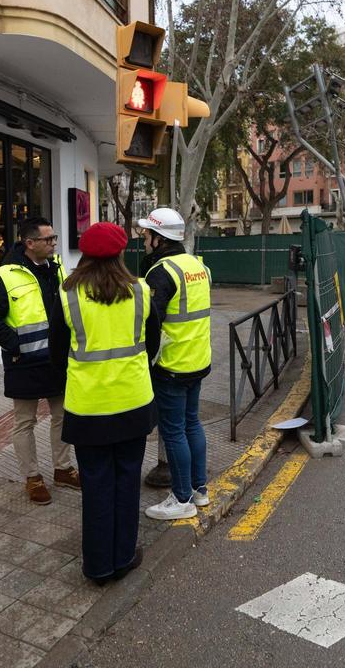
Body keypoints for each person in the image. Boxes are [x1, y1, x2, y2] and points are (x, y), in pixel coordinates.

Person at [49, 222, 159, 585]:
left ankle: (98, 566)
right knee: (127, 481)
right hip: (133, 403)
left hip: (88, 408)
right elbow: (154, 342)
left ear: (84, 255)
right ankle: (124, 556)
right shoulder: (141, 291)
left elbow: (55, 352)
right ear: (120, 253)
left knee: (96, 485)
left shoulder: (67, 296)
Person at [0, 217, 78, 505]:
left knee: (62, 416)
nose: (54, 243)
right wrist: (15, 345)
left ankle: (63, 469)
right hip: (24, 363)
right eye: (49, 239)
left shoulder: (56, 269)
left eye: (54, 238)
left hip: (56, 361)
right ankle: (32, 477)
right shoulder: (5, 275)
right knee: (25, 422)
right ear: (29, 242)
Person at [138, 208, 213, 522]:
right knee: (191, 424)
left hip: (171, 364)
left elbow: (149, 321)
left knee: (173, 432)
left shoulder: (161, 272)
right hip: (198, 359)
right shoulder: (198, 265)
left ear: (159, 237)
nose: (143, 238)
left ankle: (181, 497)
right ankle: (199, 489)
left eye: (146, 234)